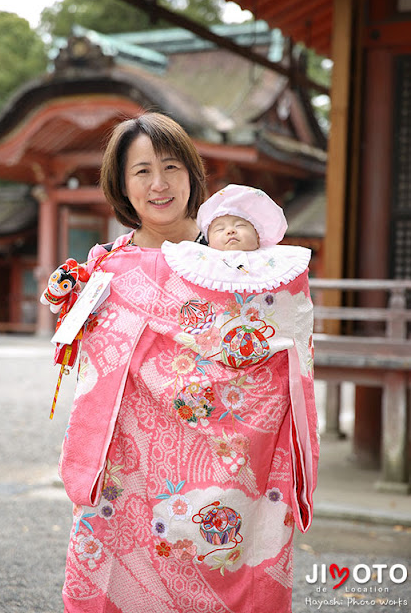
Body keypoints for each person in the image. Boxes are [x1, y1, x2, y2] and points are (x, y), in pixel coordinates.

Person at [45, 114, 318, 613]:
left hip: (226, 463)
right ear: (121, 185)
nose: (158, 184)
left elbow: (280, 335)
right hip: (127, 466)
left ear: (192, 174)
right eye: (141, 171)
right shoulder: (108, 265)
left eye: (171, 166)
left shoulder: (242, 262)